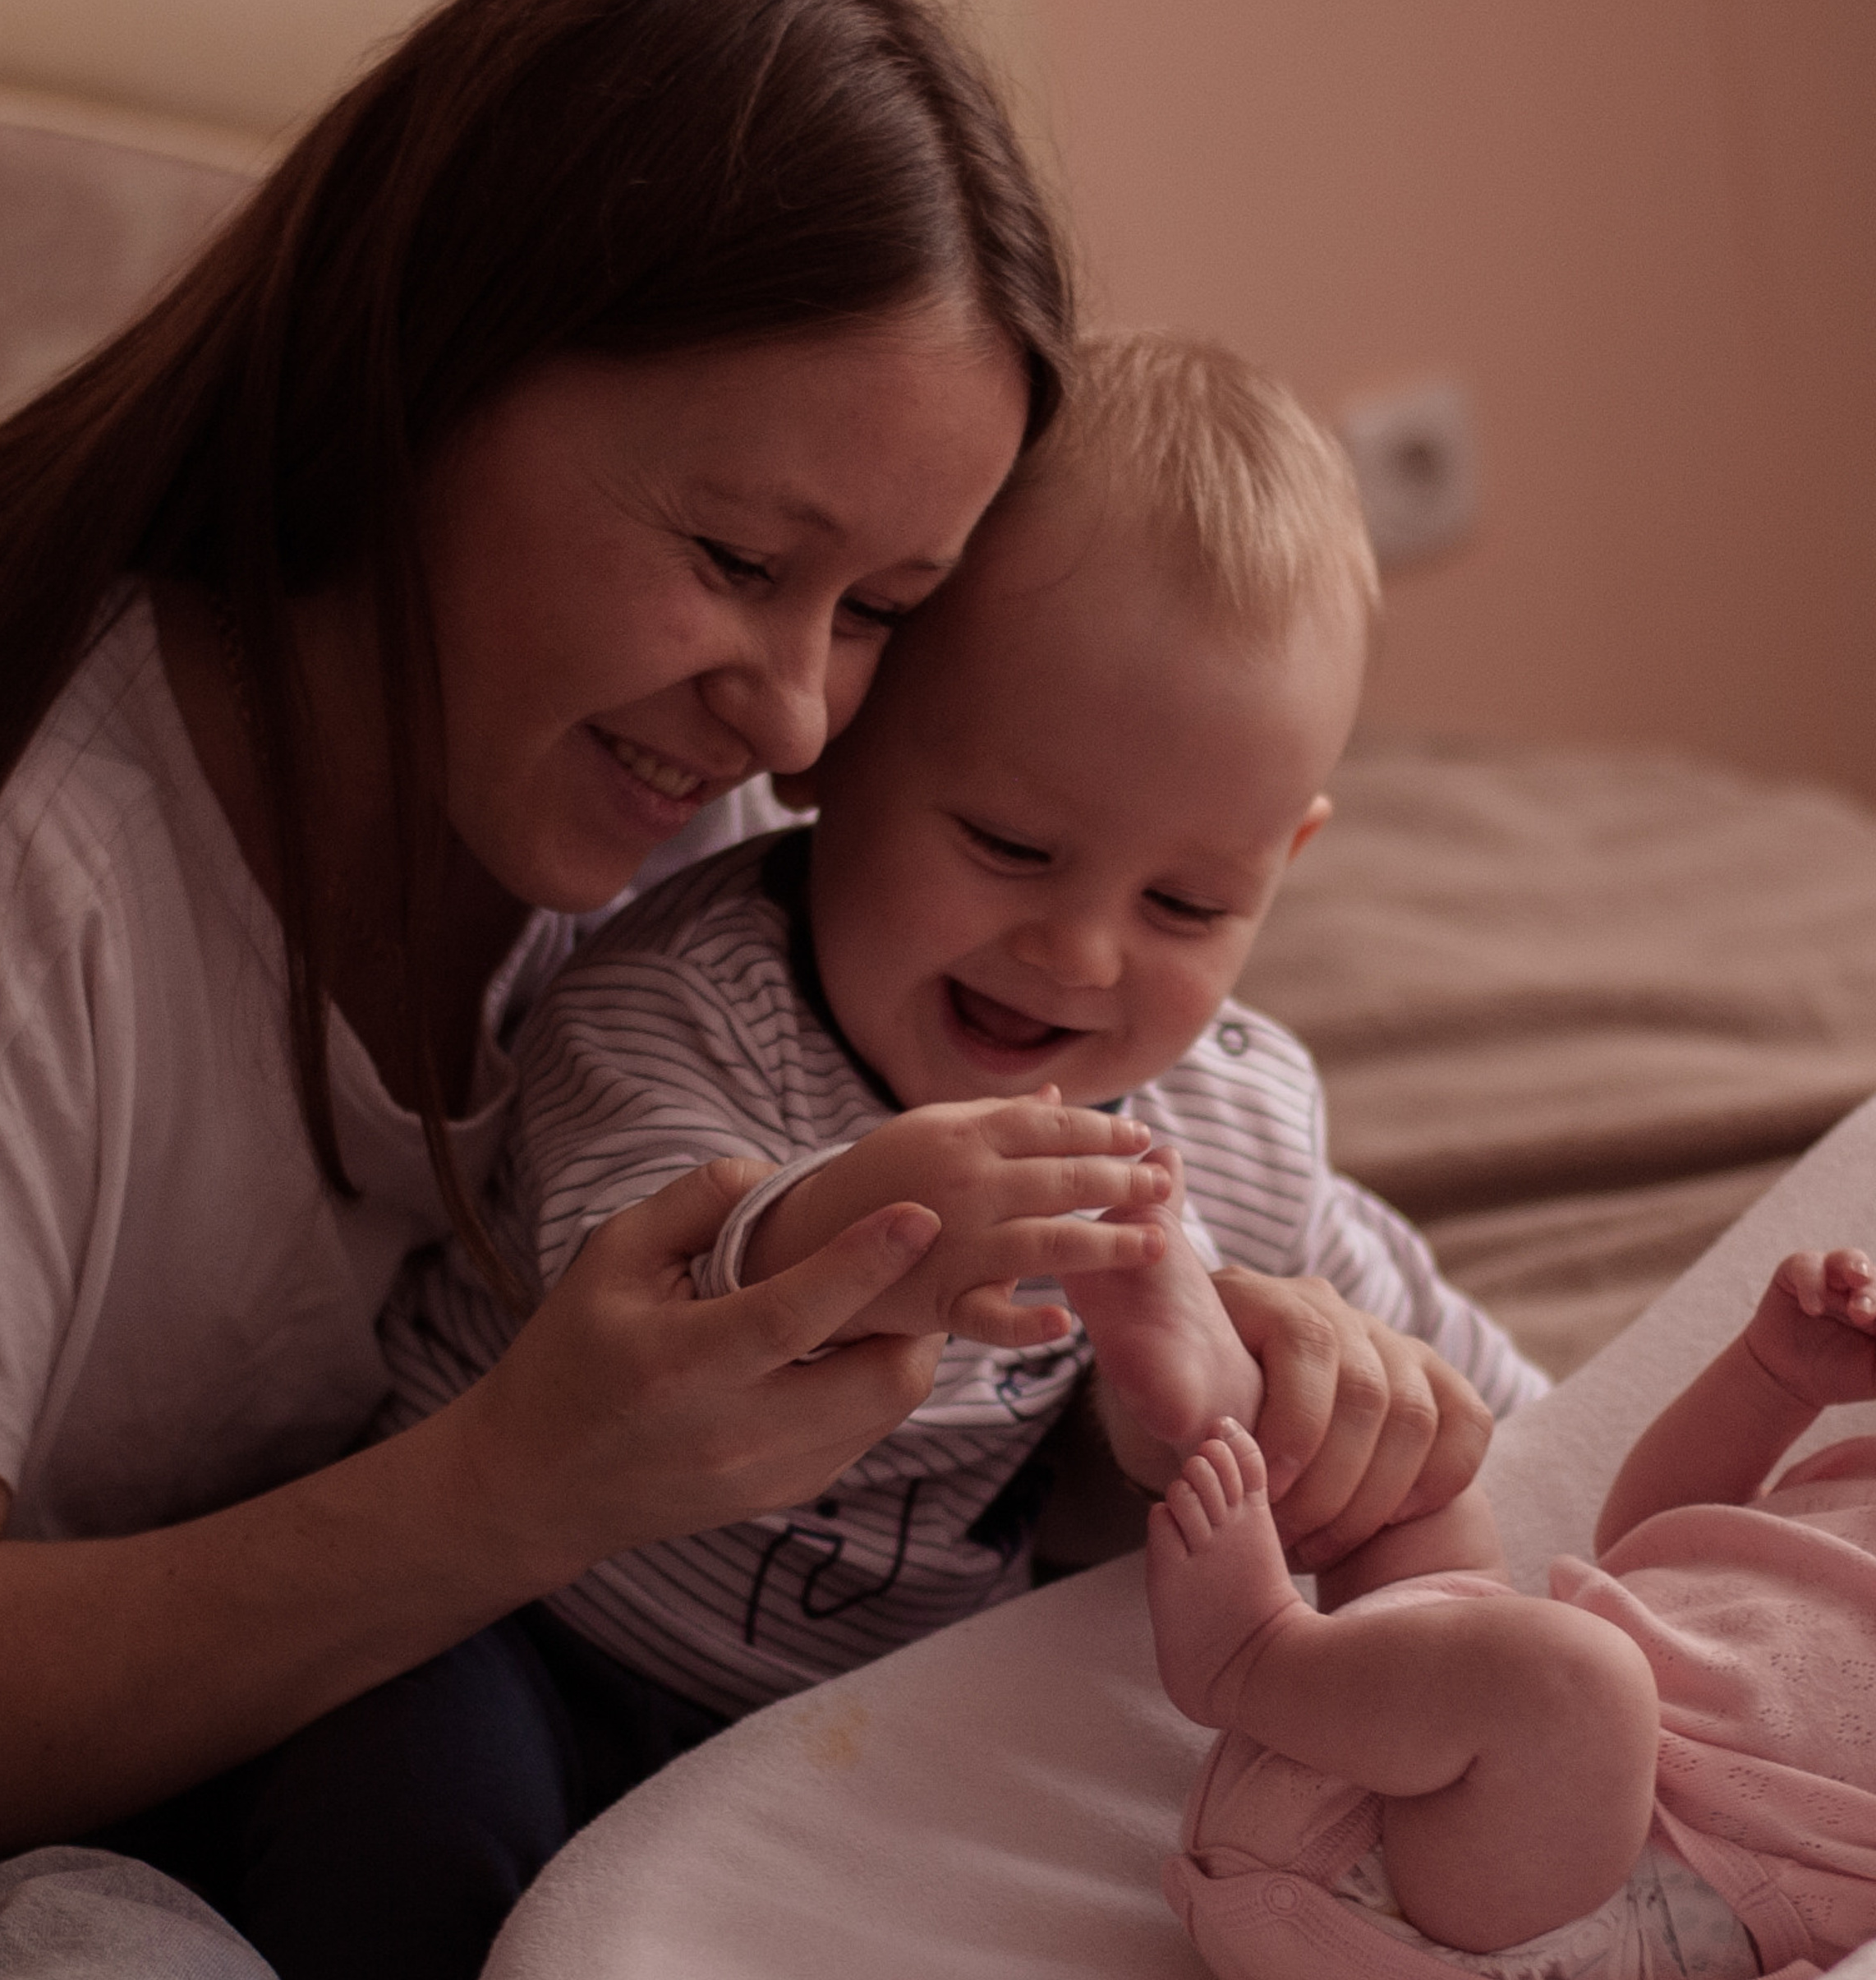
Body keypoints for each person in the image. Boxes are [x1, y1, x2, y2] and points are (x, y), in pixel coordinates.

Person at [0, 0, 1481, 1980]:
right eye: (735, 555)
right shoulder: (28, 875)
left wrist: (1244, 1366)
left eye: (881, 612)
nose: (795, 717)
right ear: (423, 382)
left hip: (340, 1736)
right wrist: (519, 1486)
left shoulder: (711, 822)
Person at [393, 334, 1541, 1759]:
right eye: (1010, 845)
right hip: (520, 1631)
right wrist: (857, 1228)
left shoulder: (1225, 1117)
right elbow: (627, 1308)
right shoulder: (676, 1006)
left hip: (858, 1717)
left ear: (1282, 863)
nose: (1082, 954)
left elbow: (1455, 1375)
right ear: (836, 748)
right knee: (410, 1810)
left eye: (1187, 905)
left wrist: (1433, 1417)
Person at [1153, 1246, 1876, 1980]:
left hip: (1550, 1900)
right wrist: (1775, 1380)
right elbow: (1653, 1539)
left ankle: (1251, 1659)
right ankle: (1230, 1414)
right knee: (1426, 1473)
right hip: (1434, 1732)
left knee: (1574, 1677)